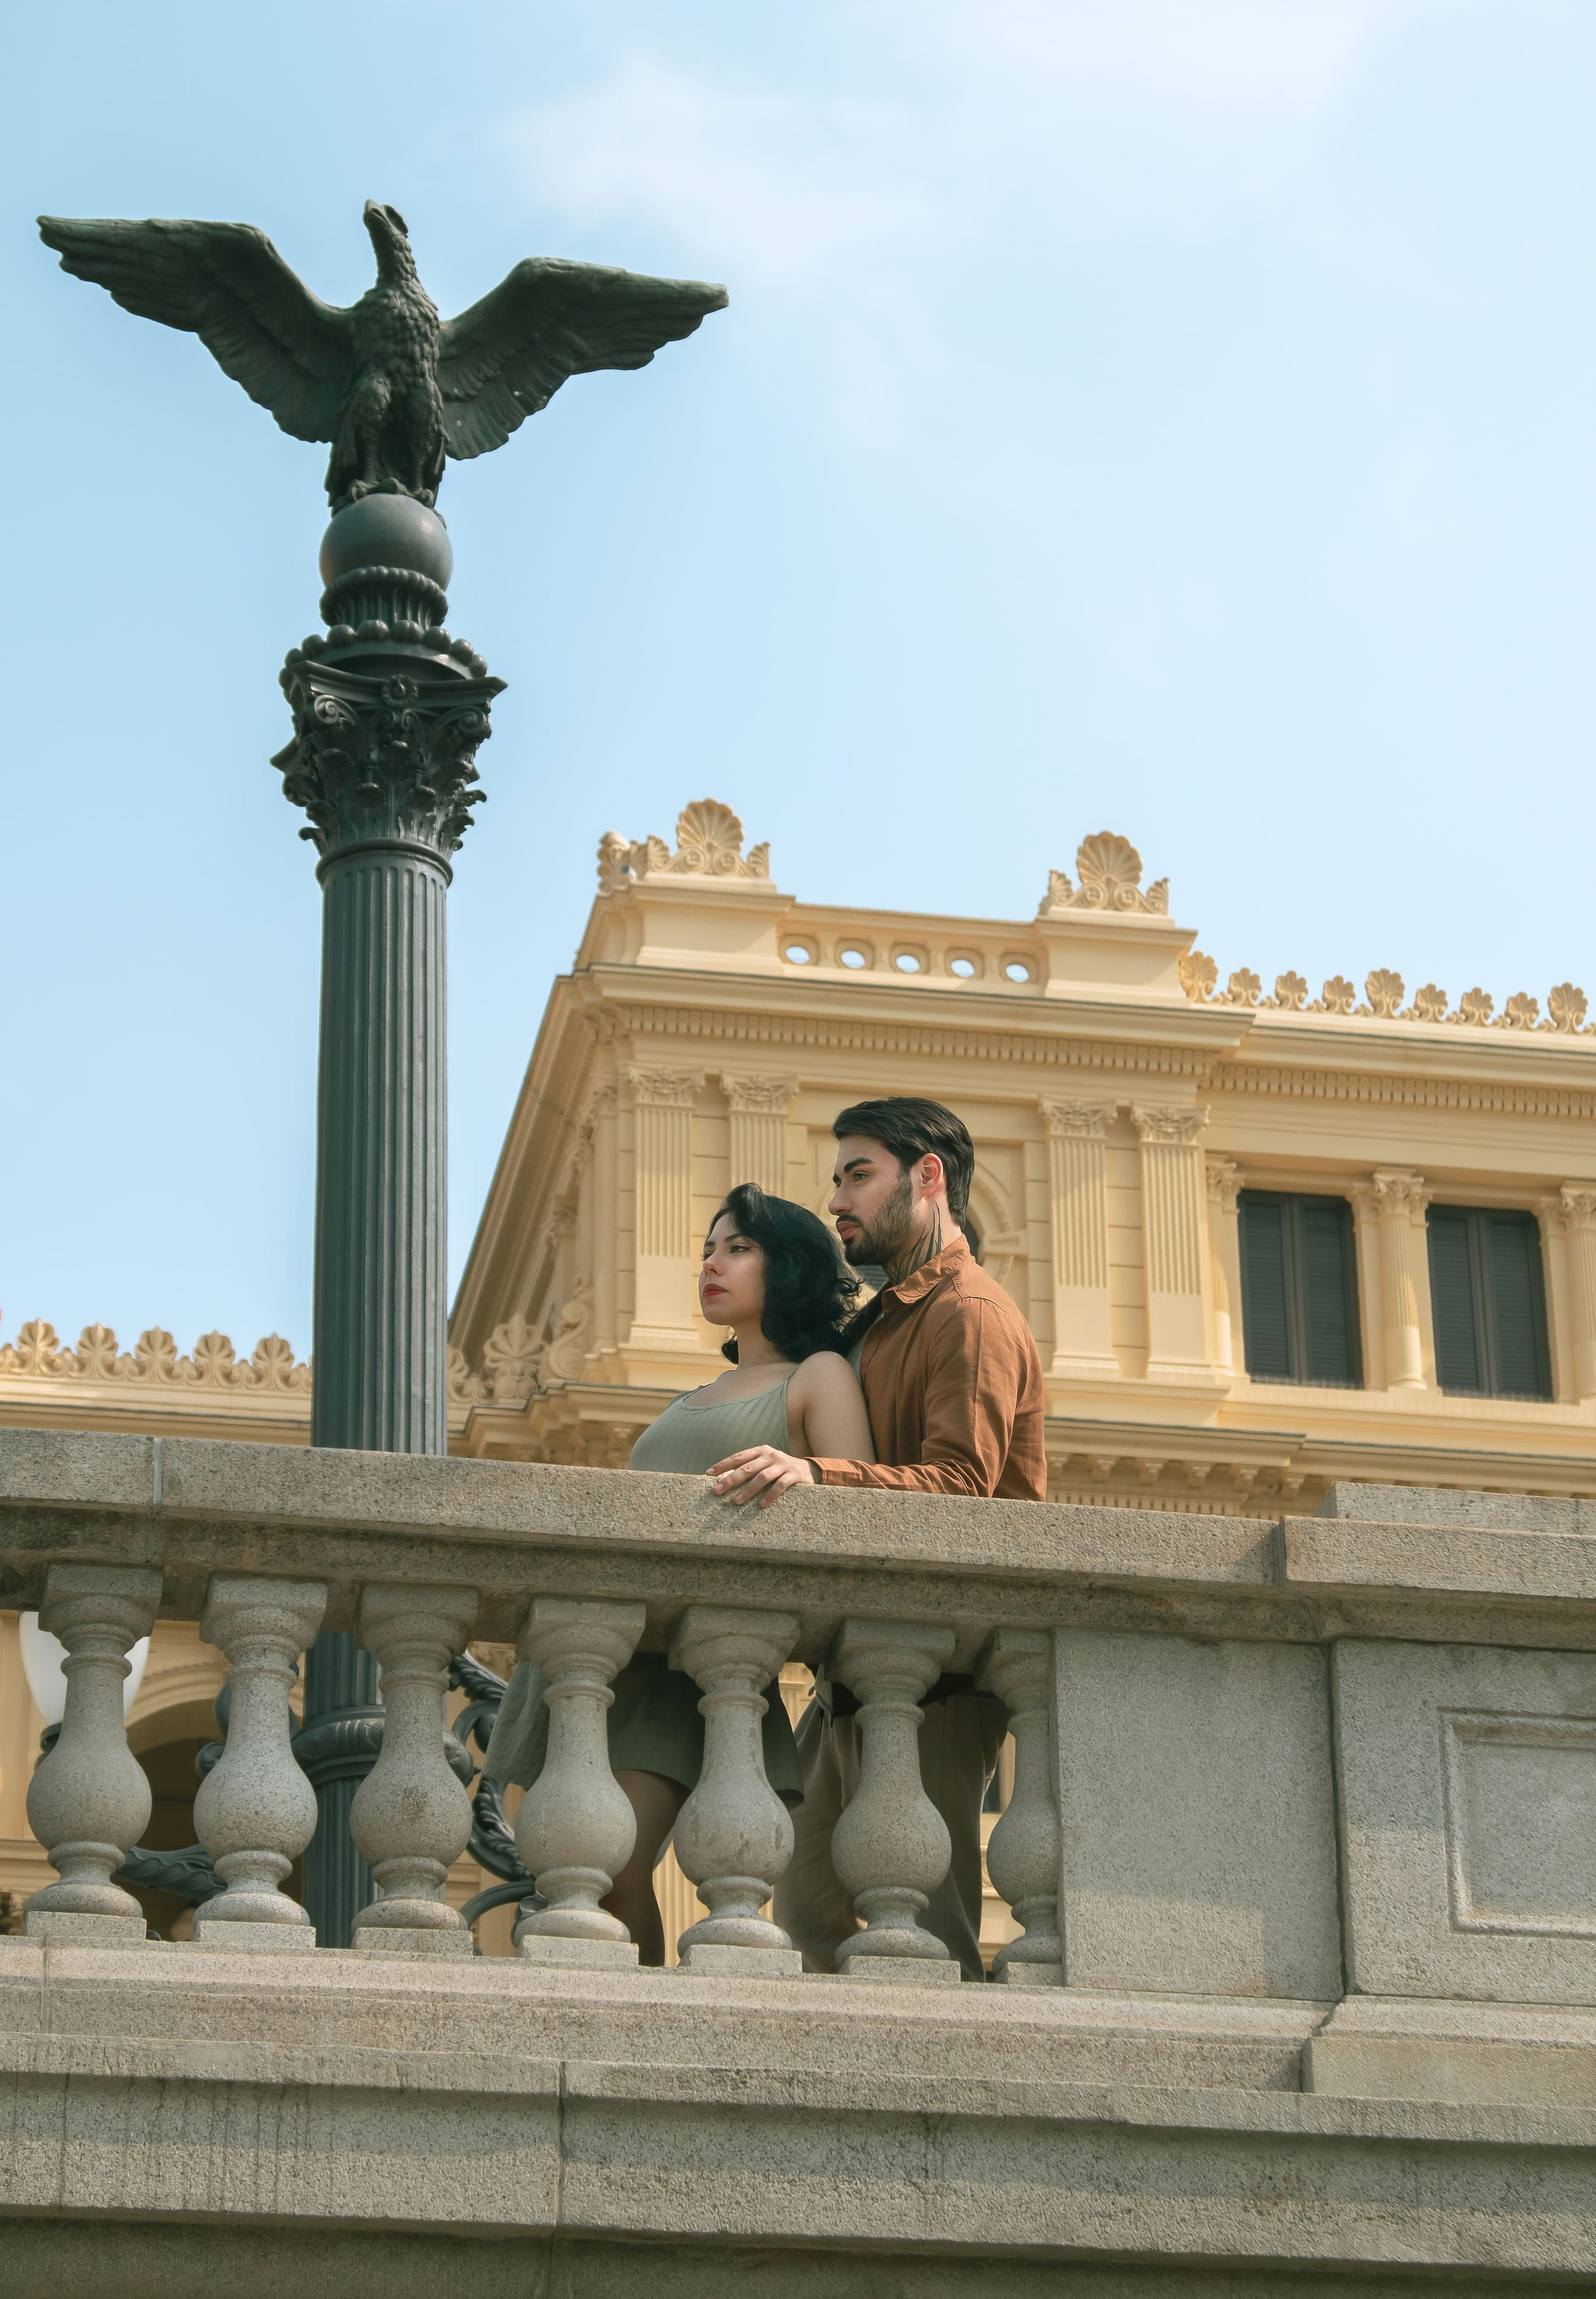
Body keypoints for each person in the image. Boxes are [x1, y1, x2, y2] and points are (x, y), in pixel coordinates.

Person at [481, 1181, 872, 1964]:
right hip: (609, 1655)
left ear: (788, 1265)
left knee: (613, 1871)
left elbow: (859, 1496)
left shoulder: (819, 1374)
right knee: (576, 1876)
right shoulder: (693, 1396)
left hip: (690, 1671)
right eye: (707, 1249)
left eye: (738, 1248)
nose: (712, 1264)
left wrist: (810, 1474)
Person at [706, 1097, 1046, 1980]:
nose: (839, 1198)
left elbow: (963, 1488)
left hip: (942, 1677)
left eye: (859, 1174)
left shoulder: (969, 1310)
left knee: (928, 1939)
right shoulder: (882, 1322)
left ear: (927, 1176)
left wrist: (818, 1473)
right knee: (808, 1918)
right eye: (837, 1179)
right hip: (849, 1674)